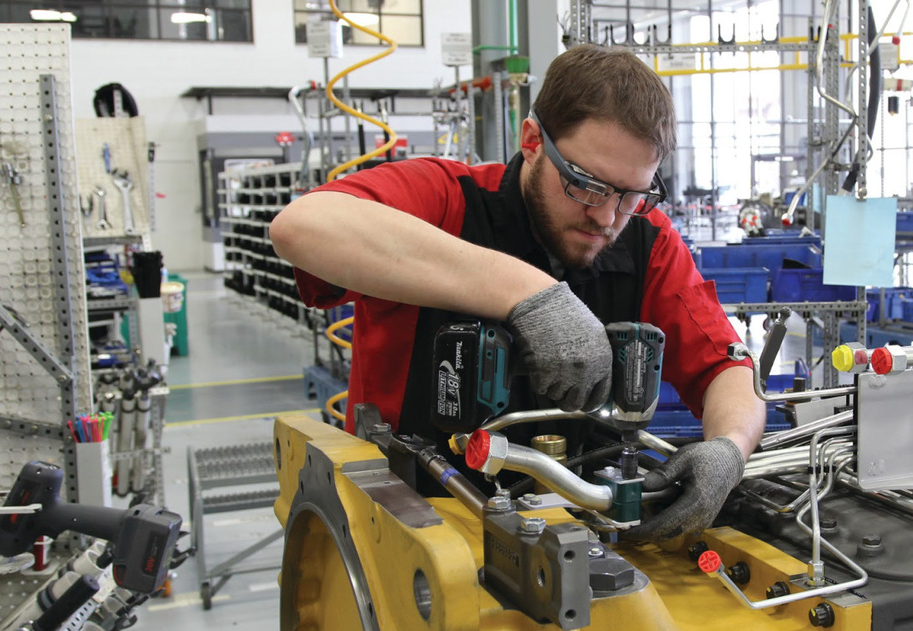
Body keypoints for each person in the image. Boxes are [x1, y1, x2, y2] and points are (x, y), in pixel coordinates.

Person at [270, 45, 766, 542]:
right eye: (587, 185)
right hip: (413, 535)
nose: (607, 217)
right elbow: (301, 227)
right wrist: (531, 294)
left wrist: (729, 447)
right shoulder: (447, 199)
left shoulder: (647, 239)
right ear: (532, 140)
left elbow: (724, 366)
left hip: (583, 538)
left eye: (631, 193)